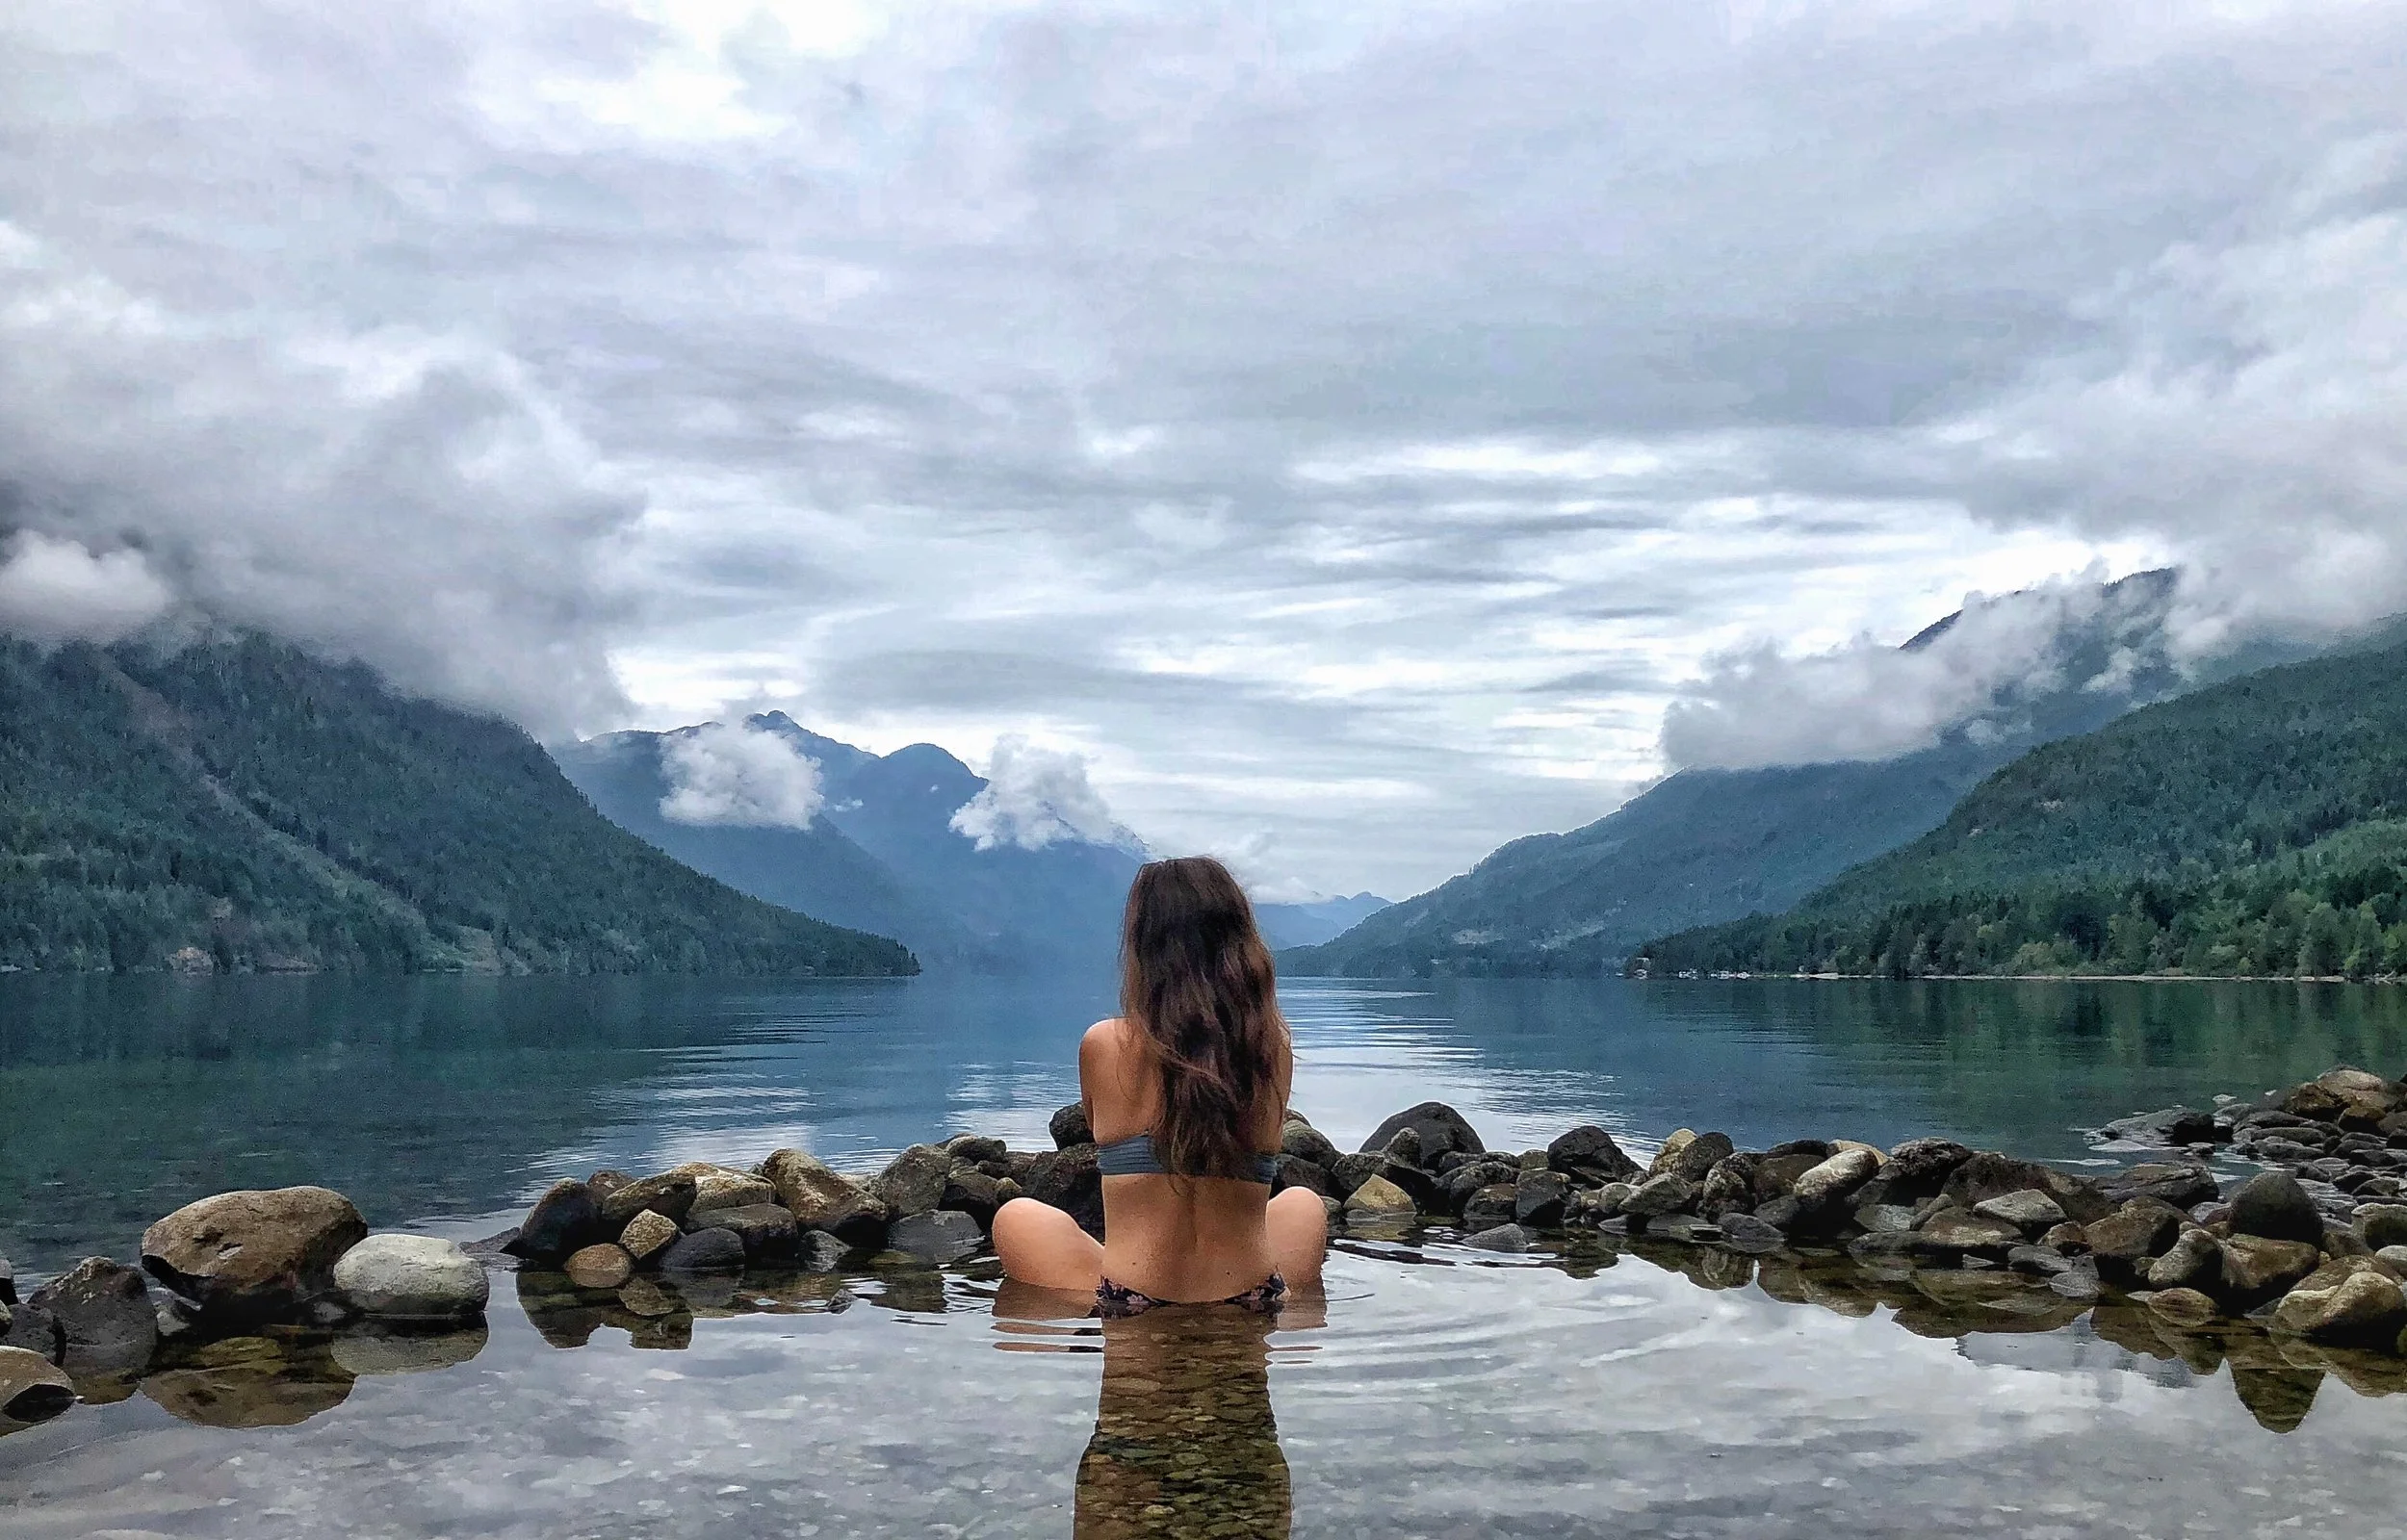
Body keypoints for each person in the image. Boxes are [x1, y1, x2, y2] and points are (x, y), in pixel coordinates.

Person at [993, 855, 1328, 1310]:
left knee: (1016, 1216)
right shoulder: (1271, 1050)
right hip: (1253, 1293)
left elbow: (1095, 1132)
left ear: (1144, 946)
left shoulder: (1105, 1043)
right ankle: (1285, 1315)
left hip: (1134, 1297)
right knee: (1302, 1204)